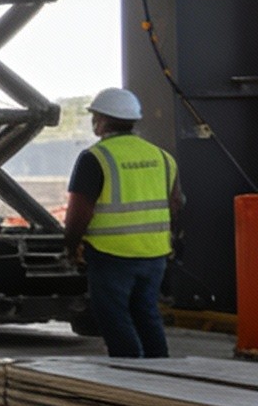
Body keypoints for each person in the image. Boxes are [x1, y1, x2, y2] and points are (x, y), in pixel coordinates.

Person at [63, 86, 182, 359]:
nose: (94, 122)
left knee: (113, 317)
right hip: (154, 253)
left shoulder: (95, 158)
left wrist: (70, 246)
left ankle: (129, 376)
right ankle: (160, 370)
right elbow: (175, 204)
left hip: (111, 254)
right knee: (146, 312)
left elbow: (79, 211)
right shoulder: (162, 157)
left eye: (95, 117)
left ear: (102, 121)